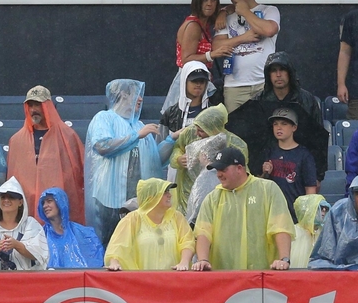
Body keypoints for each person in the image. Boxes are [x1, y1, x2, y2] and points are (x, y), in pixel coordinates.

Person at [85, 79, 178, 246]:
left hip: (139, 201)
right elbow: (102, 145)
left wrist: (172, 140)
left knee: (137, 247)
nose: (140, 99)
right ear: (121, 95)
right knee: (111, 248)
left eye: (140, 94)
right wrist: (137, 136)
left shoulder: (139, 125)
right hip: (110, 200)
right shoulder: (104, 118)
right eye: (135, 94)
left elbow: (155, 162)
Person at [192, 147, 294, 271]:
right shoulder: (212, 198)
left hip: (262, 276)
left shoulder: (268, 189)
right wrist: (203, 259)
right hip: (224, 276)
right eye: (217, 170)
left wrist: (284, 259)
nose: (218, 174)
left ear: (239, 168)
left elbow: (280, 226)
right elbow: (203, 232)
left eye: (223, 169)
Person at [7, 85, 86, 224]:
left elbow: (77, 175)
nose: (33, 110)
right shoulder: (17, 140)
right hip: (28, 212)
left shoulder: (68, 136)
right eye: (30, 105)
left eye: (38, 104)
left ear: (48, 106)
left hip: (57, 211)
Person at [212, 0, 281, 113]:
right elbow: (216, 47)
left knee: (264, 128)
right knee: (235, 129)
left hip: (263, 82)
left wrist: (245, 12)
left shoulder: (269, 10)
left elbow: (269, 30)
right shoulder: (226, 17)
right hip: (234, 86)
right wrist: (243, 38)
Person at [161, 0, 231, 113]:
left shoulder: (205, 23)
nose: (209, 3)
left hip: (201, 80)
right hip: (189, 82)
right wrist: (212, 54)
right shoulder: (193, 25)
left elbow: (234, 7)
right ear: (198, 1)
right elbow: (186, 59)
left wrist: (223, 12)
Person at [171, 103, 248, 214]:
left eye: (201, 131)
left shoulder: (235, 145)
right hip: (187, 192)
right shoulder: (190, 133)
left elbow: (240, 174)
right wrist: (178, 158)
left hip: (218, 195)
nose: (197, 134)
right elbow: (178, 147)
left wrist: (209, 167)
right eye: (196, 129)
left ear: (213, 129)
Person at [105, 178, 194, 271]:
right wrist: (114, 262)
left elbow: (187, 242)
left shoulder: (177, 217)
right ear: (151, 196)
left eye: (169, 191)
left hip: (173, 280)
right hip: (143, 281)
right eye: (165, 192)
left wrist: (184, 262)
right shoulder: (132, 219)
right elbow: (118, 245)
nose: (170, 195)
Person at [0, 177, 48, 270]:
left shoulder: (31, 224)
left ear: (20, 202)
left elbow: (39, 254)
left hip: (23, 281)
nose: (6, 200)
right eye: (3, 197)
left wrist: (16, 245)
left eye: (11, 197)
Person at [261, 108, 317, 223]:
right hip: (273, 215)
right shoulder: (269, 151)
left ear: (294, 127)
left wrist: (307, 217)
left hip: (296, 216)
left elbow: (310, 189)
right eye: (275, 124)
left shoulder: (304, 155)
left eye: (284, 124)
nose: (278, 127)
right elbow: (260, 185)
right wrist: (265, 172)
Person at [38, 187, 104, 269]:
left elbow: (95, 260)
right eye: (43, 203)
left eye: (49, 201)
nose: (45, 206)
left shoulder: (84, 233)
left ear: (60, 203)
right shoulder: (40, 235)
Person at [254, 51, 323, 125]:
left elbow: (318, 134)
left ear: (290, 73)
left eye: (282, 69)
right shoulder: (258, 101)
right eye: (274, 70)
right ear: (268, 75)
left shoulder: (307, 101)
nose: (278, 75)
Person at [160, 61, 218, 137]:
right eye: (194, 80)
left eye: (202, 81)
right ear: (184, 82)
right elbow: (160, 145)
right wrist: (172, 139)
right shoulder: (170, 113)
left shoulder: (213, 113)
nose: (198, 84)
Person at [289, 195, 329, 269]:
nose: (323, 212)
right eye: (319, 209)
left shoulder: (324, 232)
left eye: (325, 209)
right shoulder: (294, 231)